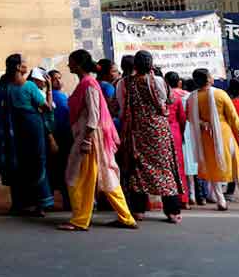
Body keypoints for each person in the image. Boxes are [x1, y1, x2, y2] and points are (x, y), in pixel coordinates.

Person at [57, 50, 137, 232]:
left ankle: (80, 220)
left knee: (79, 177)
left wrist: (86, 139)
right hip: (91, 137)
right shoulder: (87, 84)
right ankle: (126, 217)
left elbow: (94, 115)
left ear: (78, 64)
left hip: (90, 138)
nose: (68, 65)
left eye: (71, 62)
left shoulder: (89, 85)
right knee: (105, 176)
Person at [185, 69, 239, 212]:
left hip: (206, 136)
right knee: (237, 167)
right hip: (224, 134)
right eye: (210, 76)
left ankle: (221, 201)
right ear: (208, 79)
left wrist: (203, 123)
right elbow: (233, 116)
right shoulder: (220, 94)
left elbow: (190, 117)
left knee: (213, 167)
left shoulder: (192, 97)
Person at [116, 51, 182, 223]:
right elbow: (169, 100)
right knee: (165, 168)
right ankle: (172, 211)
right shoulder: (158, 81)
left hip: (137, 131)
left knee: (137, 169)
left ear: (135, 65)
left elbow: (121, 108)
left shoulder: (124, 83)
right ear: (151, 64)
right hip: (159, 132)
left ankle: (138, 210)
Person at [5, 59, 55, 215]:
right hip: (33, 127)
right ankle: (42, 203)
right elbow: (47, 108)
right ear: (18, 67)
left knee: (24, 164)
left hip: (18, 129)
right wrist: (49, 89)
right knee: (38, 163)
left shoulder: (8, 87)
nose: (27, 65)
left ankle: (25, 202)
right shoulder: (29, 86)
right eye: (24, 62)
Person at [0, 54, 22, 211]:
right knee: (16, 163)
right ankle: (19, 203)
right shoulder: (14, 86)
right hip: (14, 130)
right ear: (17, 67)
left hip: (5, 130)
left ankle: (17, 202)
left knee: (12, 165)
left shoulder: (3, 85)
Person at [163, 72, 189, 208]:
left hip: (161, 132)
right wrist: (182, 133)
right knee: (178, 166)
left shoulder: (160, 95)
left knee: (163, 167)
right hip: (175, 132)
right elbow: (182, 119)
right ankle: (183, 198)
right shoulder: (177, 97)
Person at [48, 69, 72, 210]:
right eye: (54, 79)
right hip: (55, 136)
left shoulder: (64, 96)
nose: (58, 81)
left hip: (65, 136)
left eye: (59, 78)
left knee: (64, 169)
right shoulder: (49, 97)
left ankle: (67, 201)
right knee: (56, 169)